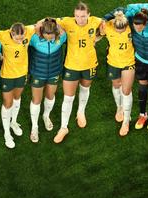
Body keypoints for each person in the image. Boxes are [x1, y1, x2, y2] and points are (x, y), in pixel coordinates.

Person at [54, 2, 102, 143]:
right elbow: (49, 21)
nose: (80, 19)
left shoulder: (95, 21)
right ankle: (63, 127)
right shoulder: (67, 22)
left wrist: (98, 37)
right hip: (71, 65)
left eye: (83, 16)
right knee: (68, 97)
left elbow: (106, 24)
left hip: (90, 64)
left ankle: (80, 112)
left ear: (88, 15)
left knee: (85, 88)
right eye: (77, 16)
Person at [120, 4, 148, 130]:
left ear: (146, 24)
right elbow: (123, 9)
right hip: (140, 59)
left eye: (139, 28)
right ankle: (142, 114)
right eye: (135, 27)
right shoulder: (133, 16)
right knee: (142, 86)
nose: (136, 30)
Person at [0, 22, 36, 148]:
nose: (20, 40)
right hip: (7, 75)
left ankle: (14, 122)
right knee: (8, 103)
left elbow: (39, 24)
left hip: (22, 74)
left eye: (22, 37)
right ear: (11, 33)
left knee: (17, 98)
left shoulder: (28, 31)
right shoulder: (3, 35)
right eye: (17, 38)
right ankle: (7, 134)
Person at [28, 18, 66, 143]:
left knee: (50, 96)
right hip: (38, 73)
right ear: (41, 32)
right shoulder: (34, 39)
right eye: (46, 35)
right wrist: (41, 22)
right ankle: (34, 127)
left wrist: (54, 21)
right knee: (36, 100)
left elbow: (61, 28)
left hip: (54, 73)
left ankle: (46, 116)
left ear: (56, 33)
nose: (49, 38)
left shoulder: (61, 38)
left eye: (51, 36)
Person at [101, 10, 135, 136]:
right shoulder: (108, 26)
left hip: (128, 62)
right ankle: (119, 107)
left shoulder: (131, 26)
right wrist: (105, 19)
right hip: (113, 62)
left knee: (126, 91)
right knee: (116, 85)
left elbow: (126, 8)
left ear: (126, 25)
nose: (119, 31)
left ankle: (126, 121)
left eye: (122, 29)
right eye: (117, 29)